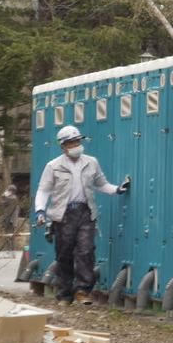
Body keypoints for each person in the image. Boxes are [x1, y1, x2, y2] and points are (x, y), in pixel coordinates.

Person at [33, 124, 130, 305]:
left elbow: (101, 184)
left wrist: (117, 189)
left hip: (85, 212)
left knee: (86, 250)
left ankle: (83, 291)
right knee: (64, 254)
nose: (75, 145)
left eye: (77, 141)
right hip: (63, 215)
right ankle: (65, 294)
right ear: (63, 146)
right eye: (71, 143)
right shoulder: (53, 166)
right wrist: (40, 210)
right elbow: (43, 191)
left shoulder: (91, 162)